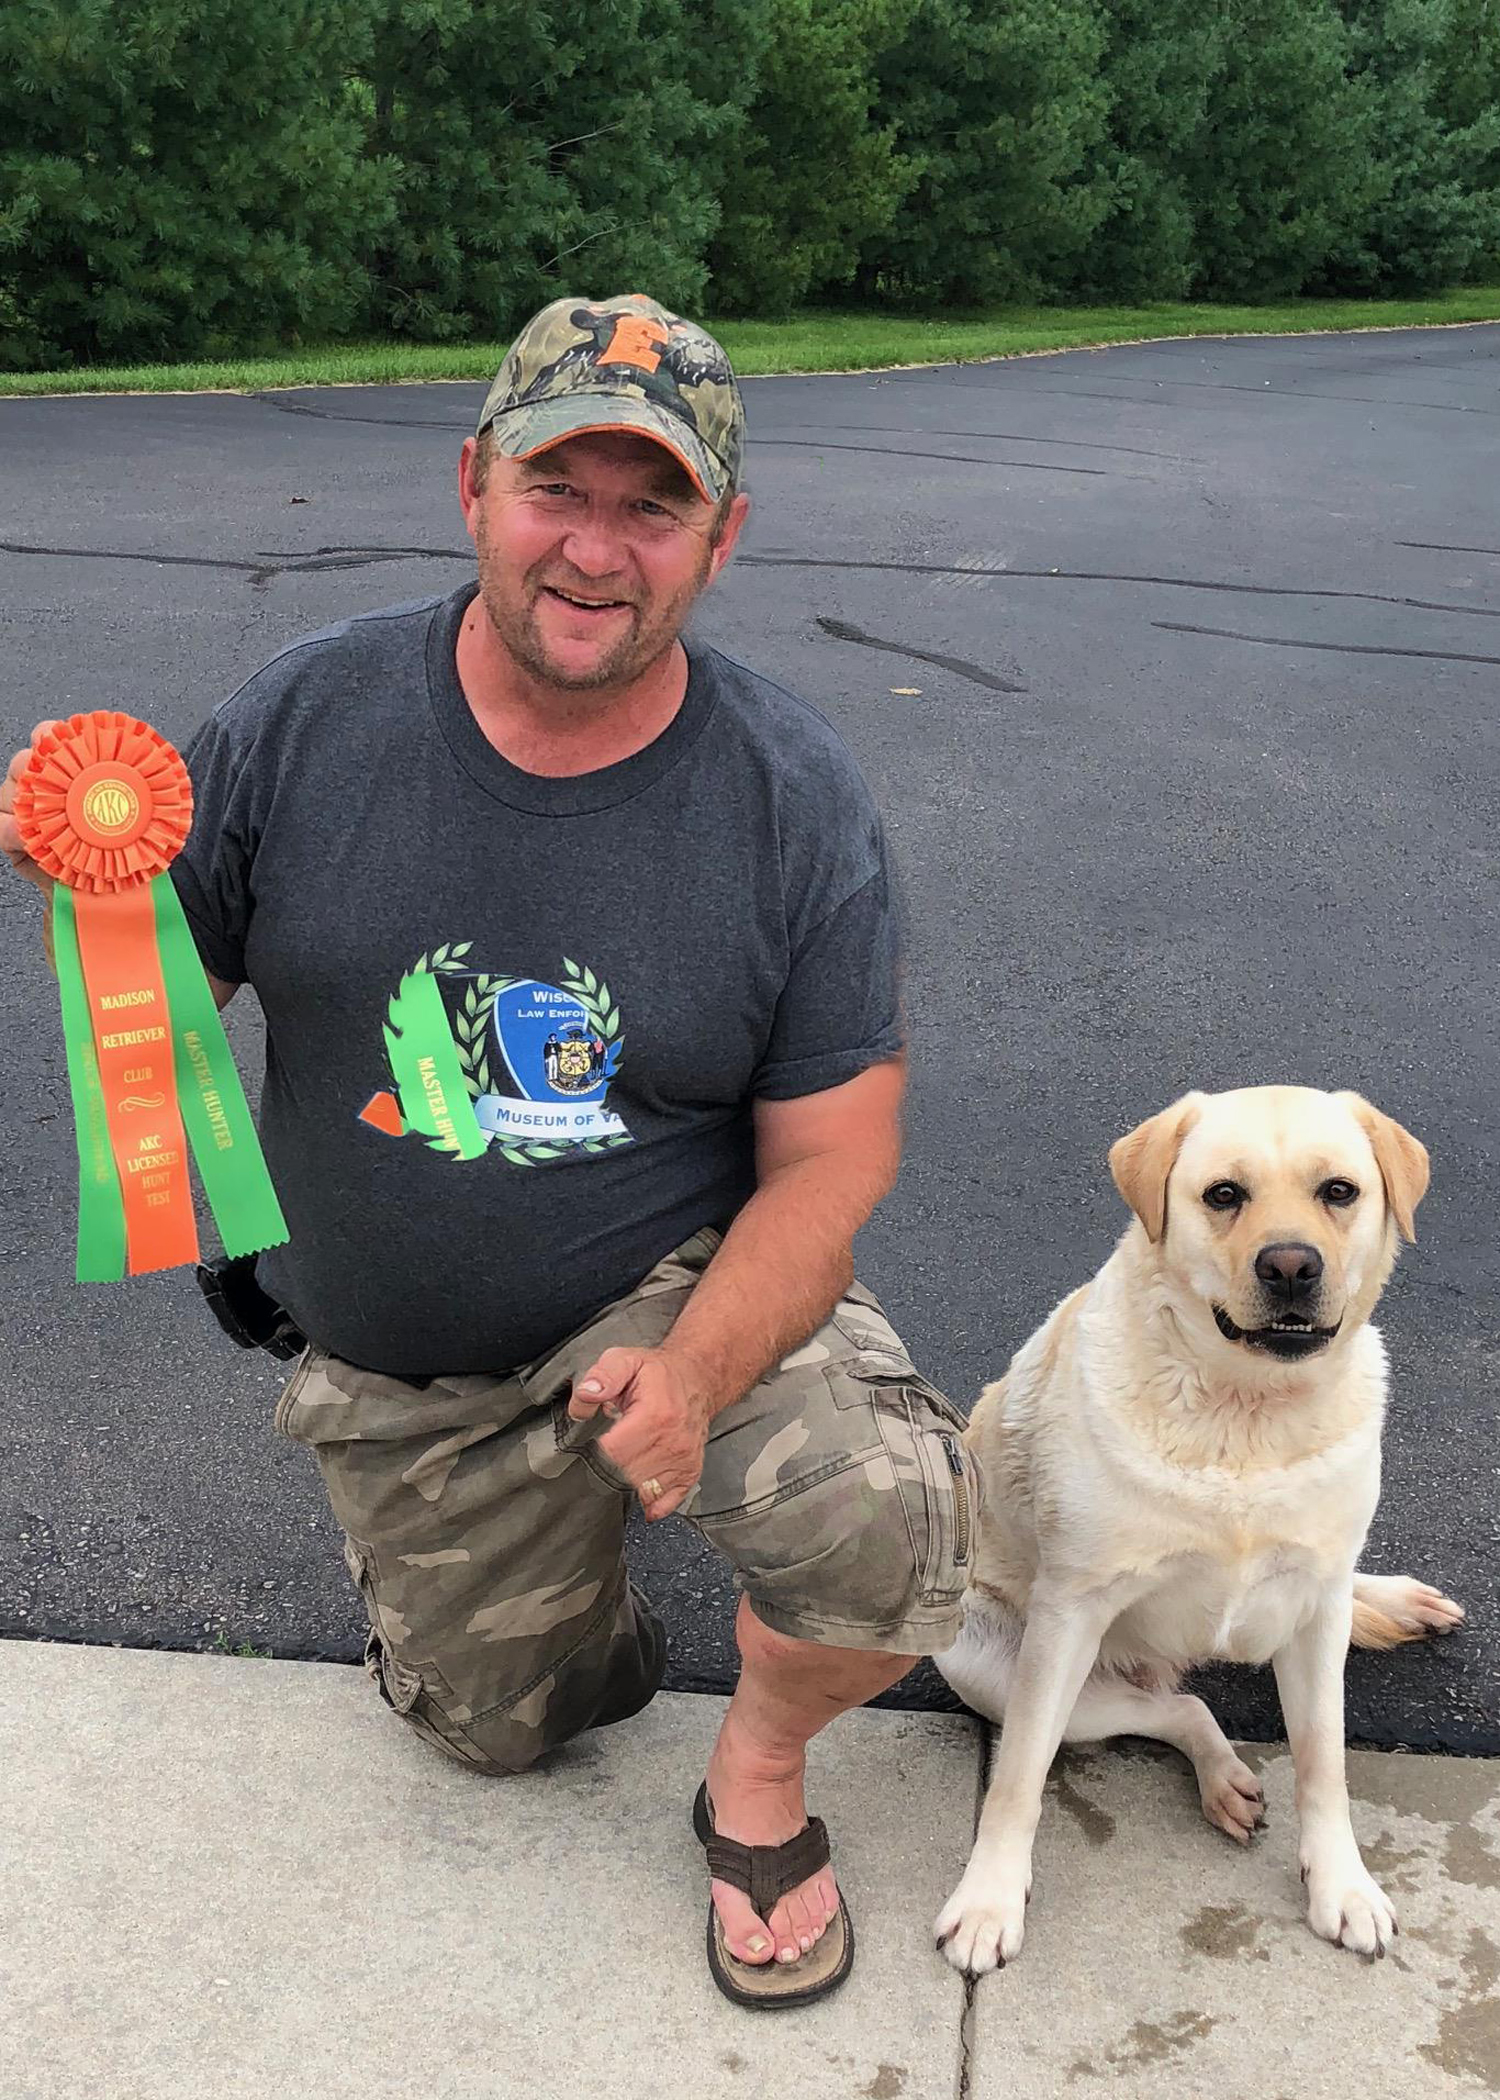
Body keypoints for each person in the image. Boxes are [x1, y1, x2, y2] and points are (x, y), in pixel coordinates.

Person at [1, 293, 979, 2010]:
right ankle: (546, 1583)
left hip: (658, 1293)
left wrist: (689, 1375)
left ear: (722, 538)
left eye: (651, 503)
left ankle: (754, 1765)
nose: (596, 550)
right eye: (557, 489)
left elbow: (833, 1165)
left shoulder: (793, 798)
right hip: (402, 1365)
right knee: (508, 1733)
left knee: (896, 1535)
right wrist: (103, 895)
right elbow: (172, 981)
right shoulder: (306, 717)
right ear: (472, 485)